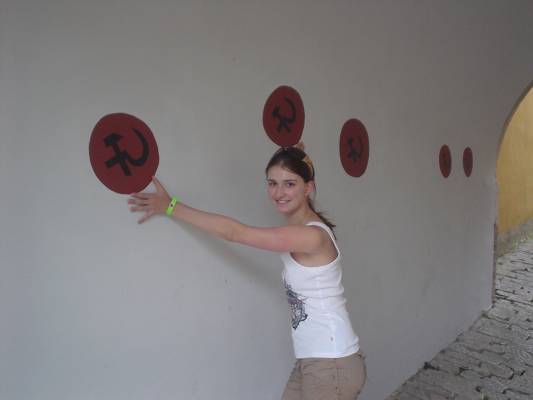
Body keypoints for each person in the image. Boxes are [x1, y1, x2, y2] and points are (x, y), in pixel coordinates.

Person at [128, 143, 366, 400]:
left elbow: (235, 233)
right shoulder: (304, 229)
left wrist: (170, 206)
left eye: (289, 184)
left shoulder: (310, 236)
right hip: (314, 360)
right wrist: (292, 152)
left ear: (308, 188)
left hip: (331, 363)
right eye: (272, 183)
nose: (278, 192)